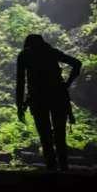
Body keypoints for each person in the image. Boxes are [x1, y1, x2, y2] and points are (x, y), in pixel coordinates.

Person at [16, 34, 81, 172]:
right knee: (60, 135)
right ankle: (64, 169)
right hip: (58, 97)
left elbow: (20, 82)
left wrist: (19, 106)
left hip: (38, 100)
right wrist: (67, 84)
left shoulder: (25, 55)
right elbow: (76, 63)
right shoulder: (50, 51)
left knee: (45, 137)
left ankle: (52, 170)